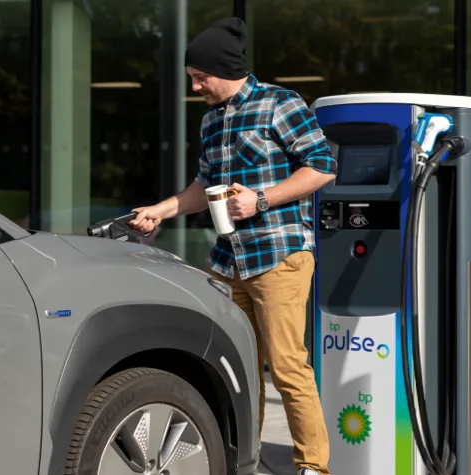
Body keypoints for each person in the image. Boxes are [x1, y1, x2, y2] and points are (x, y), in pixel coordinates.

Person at [128, 17, 336, 475]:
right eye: (192, 78)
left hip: (278, 256)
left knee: (287, 367)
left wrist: (260, 199)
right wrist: (161, 210)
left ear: (224, 69)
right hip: (228, 262)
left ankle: (313, 468)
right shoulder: (211, 120)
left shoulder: (279, 104)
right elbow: (205, 186)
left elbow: (323, 166)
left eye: (200, 77)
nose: (197, 85)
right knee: (238, 371)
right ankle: (247, 461)